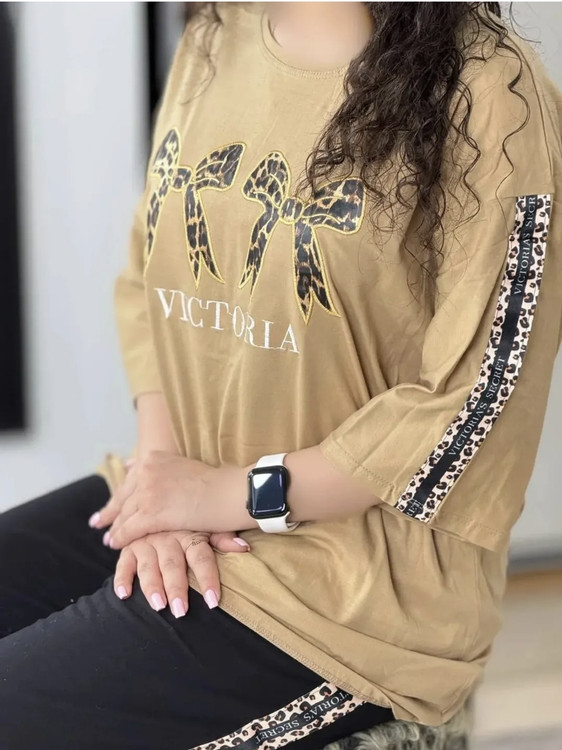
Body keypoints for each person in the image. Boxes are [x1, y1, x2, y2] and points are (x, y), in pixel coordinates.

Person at [1, 2, 561, 748]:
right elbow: (148, 269)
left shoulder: (491, 92)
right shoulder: (217, 31)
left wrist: (225, 495)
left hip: (351, 594)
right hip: (183, 487)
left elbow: (478, 399)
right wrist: (165, 482)